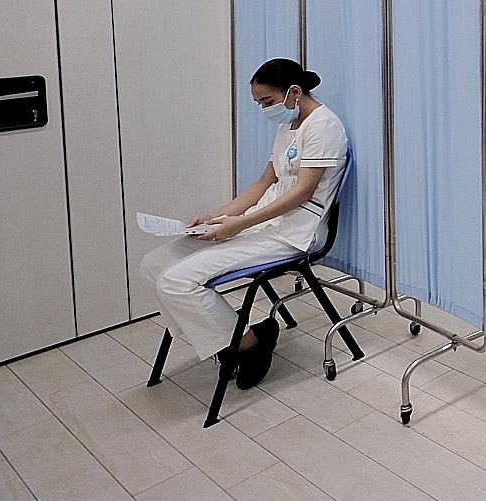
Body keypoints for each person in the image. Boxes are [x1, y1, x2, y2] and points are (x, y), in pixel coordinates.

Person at [139, 58, 349, 389]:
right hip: (262, 223)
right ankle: (235, 340)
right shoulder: (288, 126)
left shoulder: (323, 127)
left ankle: (245, 346)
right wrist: (217, 216)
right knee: (153, 265)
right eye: (259, 103)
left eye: (267, 101)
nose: (264, 109)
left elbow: (303, 192)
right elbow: (263, 184)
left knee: (176, 281)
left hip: (293, 233)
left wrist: (239, 224)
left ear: (294, 92)